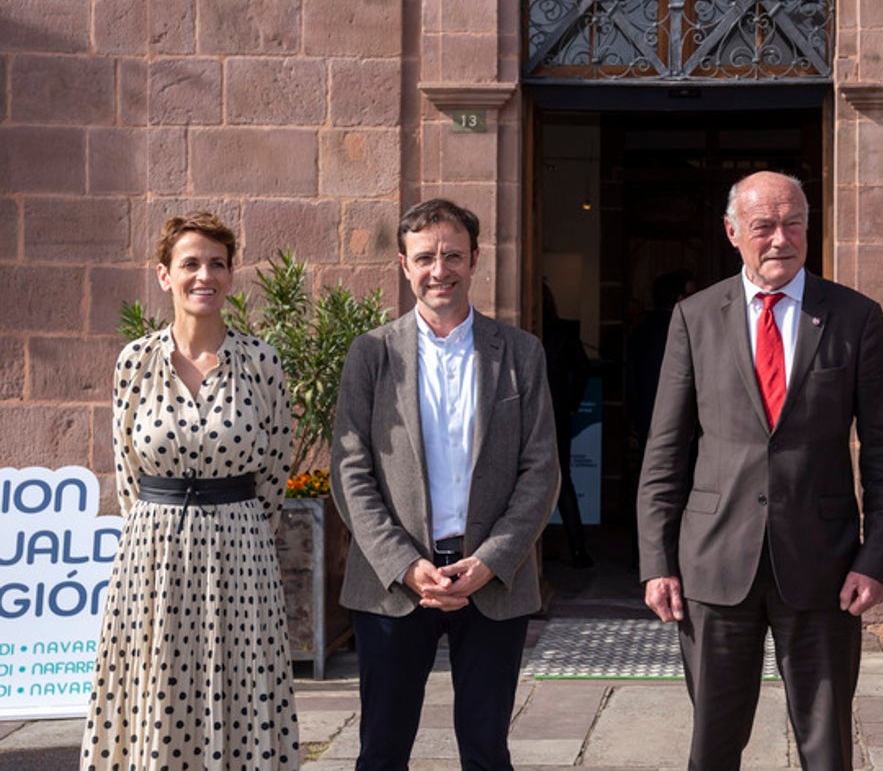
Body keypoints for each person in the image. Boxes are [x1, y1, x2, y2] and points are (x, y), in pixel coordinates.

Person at [637, 171, 883, 770]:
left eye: (793, 224)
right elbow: (664, 452)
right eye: (763, 226)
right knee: (713, 742)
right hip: (714, 564)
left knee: (827, 743)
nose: (779, 239)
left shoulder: (854, 317)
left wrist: (876, 558)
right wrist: (656, 561)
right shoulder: (695, 316)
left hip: (824, 564)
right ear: (733, 233)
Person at [331, 198, 559, 770]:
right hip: (395, 583)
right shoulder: (372, 354)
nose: (440, 269)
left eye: (453, 255)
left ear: (476, 259)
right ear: (404, 266)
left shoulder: (521, 354)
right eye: (426, 256)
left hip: (490, 580)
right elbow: (350, 471)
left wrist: (492, 559)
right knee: (381, 749)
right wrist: (405, 564)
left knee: (486, 750)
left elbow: (540, 471)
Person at [82, 212, 300, 770]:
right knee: (159, 693)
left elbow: (275, 468)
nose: (204, 275)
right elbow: (126, 467)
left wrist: (239, 530)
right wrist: (160, 530)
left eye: (217, 264)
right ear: (163, 275)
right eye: (190, 264)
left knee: (239, 692)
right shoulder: (135, 361)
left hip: (239, 553)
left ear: (231, 276)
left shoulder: (262, 362)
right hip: (153, 557)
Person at [541, 283, 593, 567]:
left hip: (529, 414)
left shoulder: (523, 331)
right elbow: (583, 370)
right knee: (562, 481)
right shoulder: (564, 332)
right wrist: (570, 403)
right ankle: (578, 550)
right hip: (557, 413)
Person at [626, 268, 695, 448]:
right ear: (679, 298)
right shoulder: (688, 332)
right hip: (682, 422)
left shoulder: (640, 332)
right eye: (690, 295)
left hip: (646, 418)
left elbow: (630, 382)